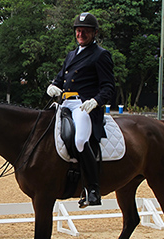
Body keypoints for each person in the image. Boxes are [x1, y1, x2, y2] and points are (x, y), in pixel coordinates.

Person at [47, 12, 115, 208]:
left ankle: (93, 189)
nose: (80, 33)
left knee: (79, 140)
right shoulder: (71, 55)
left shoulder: (101, 55)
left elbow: (108, 87)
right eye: (78, 30)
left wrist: (96, 101)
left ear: (94, 33)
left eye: (85, 31)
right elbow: (60, 79)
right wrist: (52, 86)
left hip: (84, 106)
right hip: (65, 104)